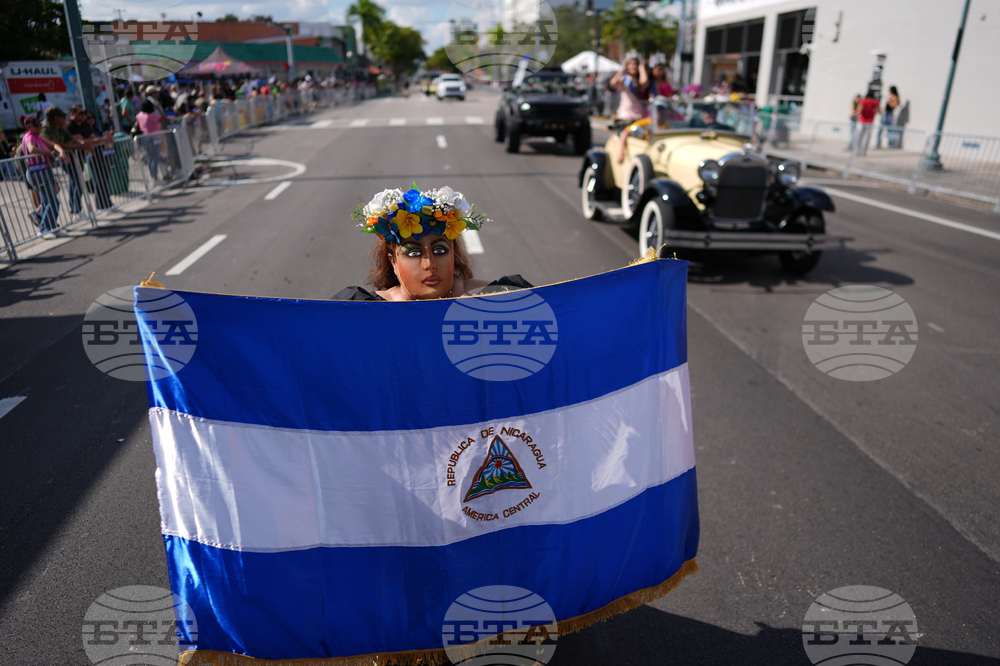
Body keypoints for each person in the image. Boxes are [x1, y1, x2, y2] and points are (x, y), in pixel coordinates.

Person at [333, 185, 530, 301]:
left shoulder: (496, 298)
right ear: (393, 261)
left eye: (440, 250)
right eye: (413, 253)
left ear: (453, 252)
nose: (429, 264)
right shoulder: (361, 310)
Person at [20, 115, 63, 238]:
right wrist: (48, 152)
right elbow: (32, 149)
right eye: (37, 125)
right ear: (28, 126)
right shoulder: (29, 137)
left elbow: (52, 144)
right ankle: (44, 229)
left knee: (48, 201)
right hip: (37, 172)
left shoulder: (38, 137)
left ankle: (52, 227)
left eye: (40, 125)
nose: (40, 127)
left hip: (44, 171)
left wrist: (61, 151)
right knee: (52, 201)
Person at [40, 106, 86, 215]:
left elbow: (70, 140)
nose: (65, 118)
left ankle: (74, 210)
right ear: (56, 117)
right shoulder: (45, 128)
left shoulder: (59, 127)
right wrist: (73, 147)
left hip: (48, 164)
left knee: (58, 189)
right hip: (36, 165)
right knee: (48, 195)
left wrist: (81, 143)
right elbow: (53, 144)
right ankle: (45, 222)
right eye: (63, 116)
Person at [610, 52, 649, 164]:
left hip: (639, 116)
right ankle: (621, 155)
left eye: (635, 64)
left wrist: (642, 68)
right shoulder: (625, 79)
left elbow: (644, 82)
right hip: (626, 116)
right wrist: (622, 70)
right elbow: (613, 82)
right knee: (625, 133)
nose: (633, 67)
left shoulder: (638, 81)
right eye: (631, 64)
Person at [136, 99, 167, 181]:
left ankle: (152, 176)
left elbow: (137, 124)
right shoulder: (152, 115)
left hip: (144, 138)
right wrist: (159, 109)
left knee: (150, 157)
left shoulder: (140, 115)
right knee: (154, 158)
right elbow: (165, 118)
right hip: (154, 138)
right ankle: (154, 177)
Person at [855, 90, 880, 156]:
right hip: (870, 122)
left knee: (859, 137)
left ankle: (856, 151)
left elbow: (859, 111)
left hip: (862, 121)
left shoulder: (863, 101)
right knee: (866, 138)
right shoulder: (875, 102)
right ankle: (863, 152)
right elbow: (878, 111)